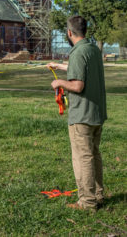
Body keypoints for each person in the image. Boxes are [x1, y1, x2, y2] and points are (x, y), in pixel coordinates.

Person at [47, 15, 107, 211]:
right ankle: (98, 195)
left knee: (84, 157)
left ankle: (87, 202)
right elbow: (83, 70)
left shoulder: (78, 53)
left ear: (69, 33)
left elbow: (78, 85)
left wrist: (59, 82)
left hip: (82, 115)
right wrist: (60, 66)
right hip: (96, 113)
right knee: (94, 154)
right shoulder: (93, 50)